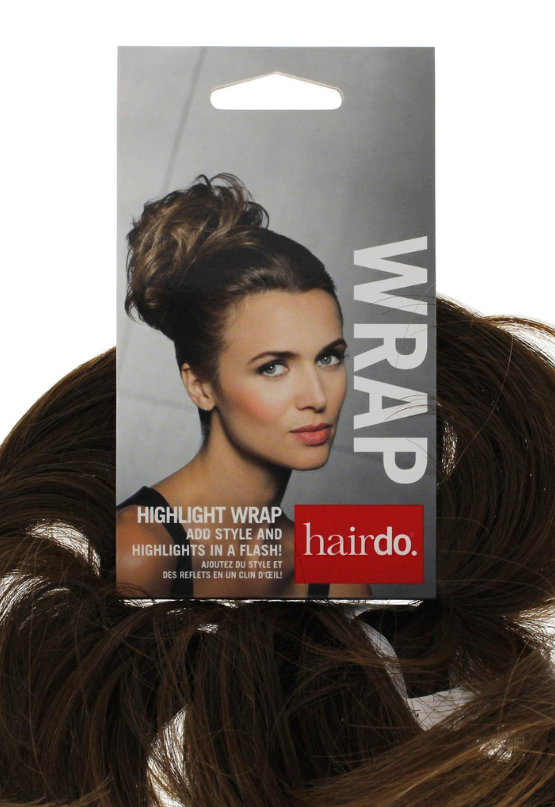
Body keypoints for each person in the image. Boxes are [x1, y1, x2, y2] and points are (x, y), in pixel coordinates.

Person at [116, 174, 371, 599]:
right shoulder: (136, 554)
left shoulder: (337, 571)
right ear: (200, 386)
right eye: (273, 367)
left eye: (328, 358)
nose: (317, 397)